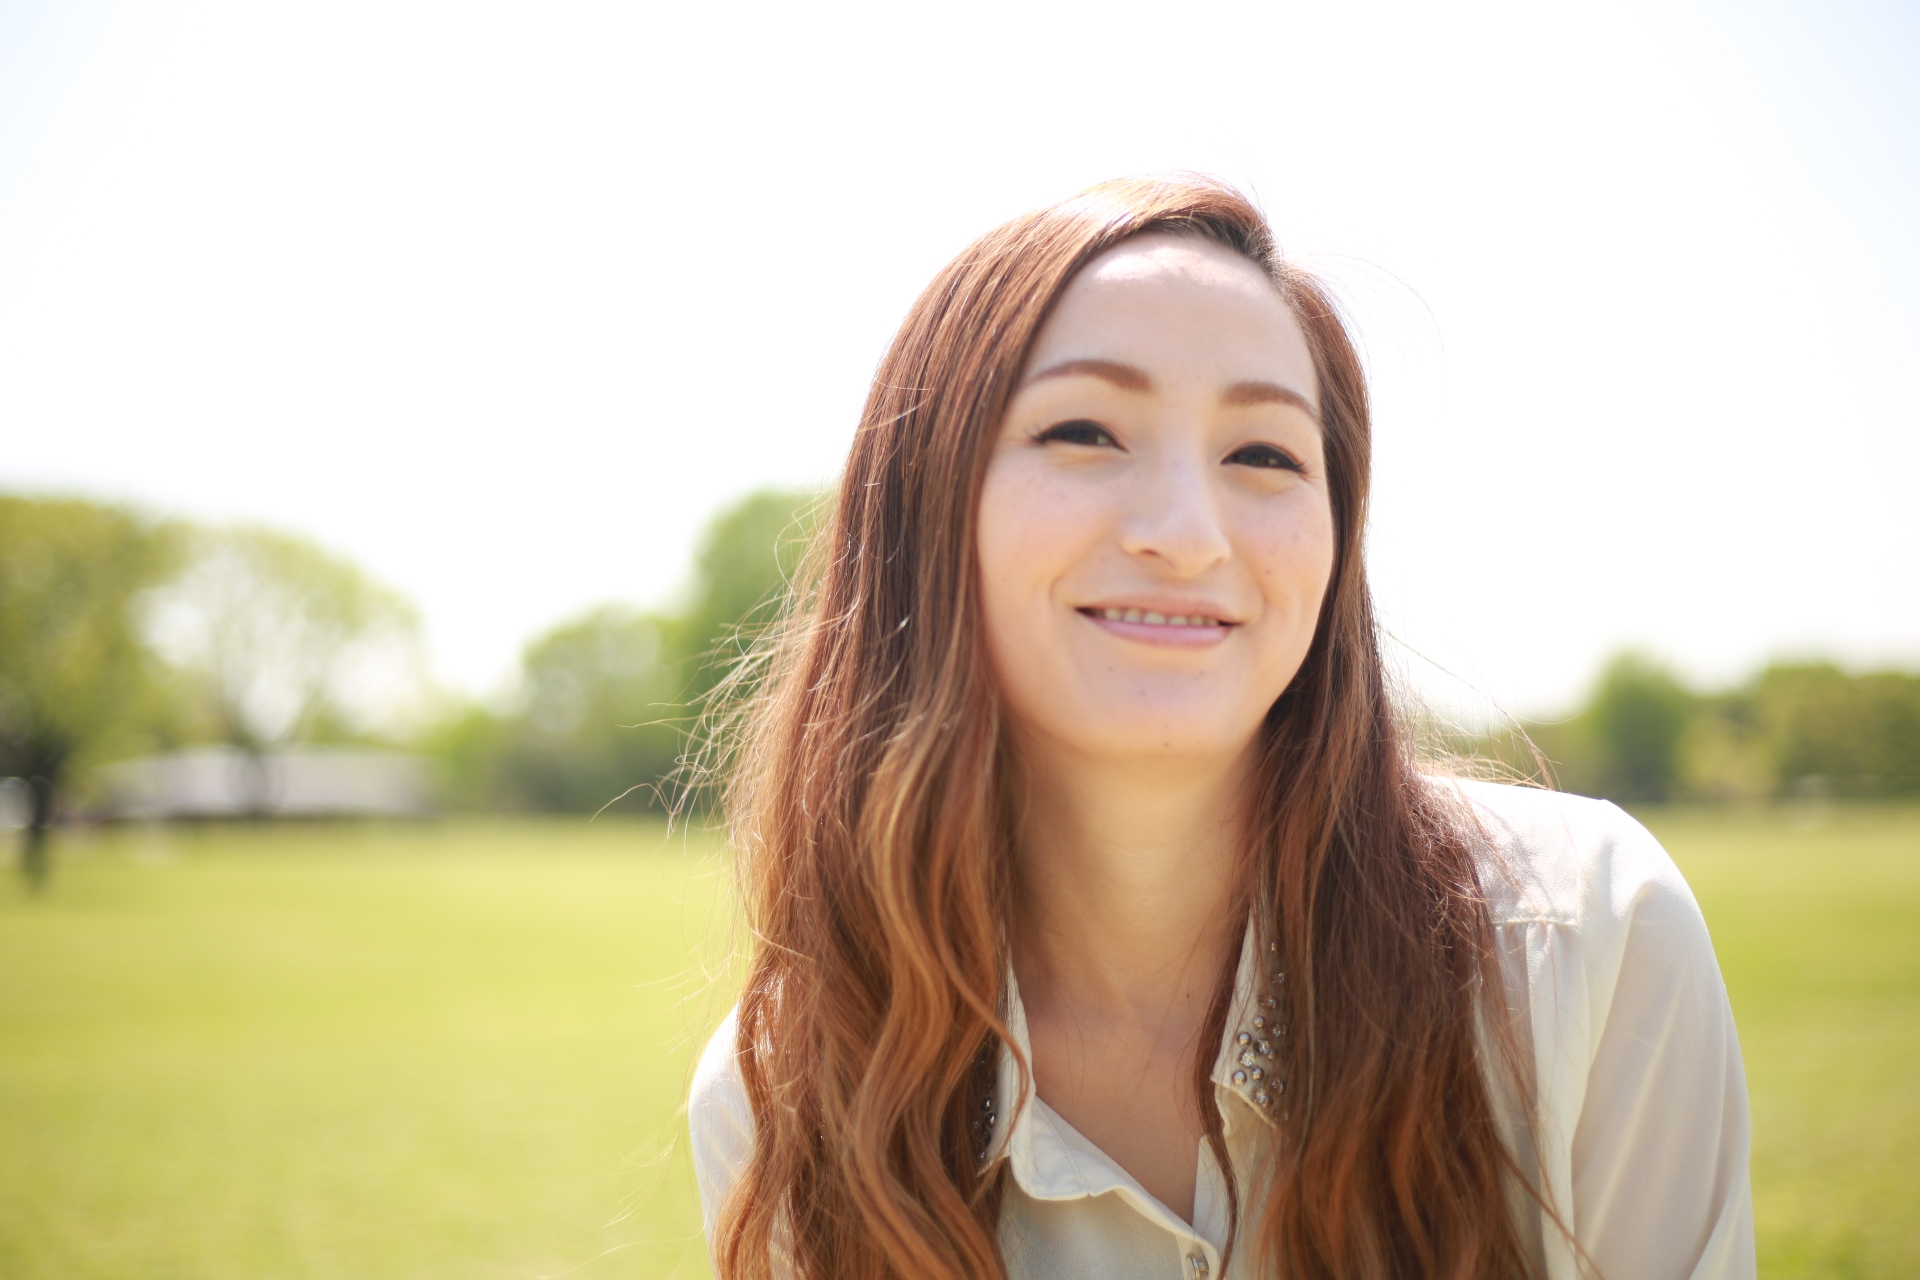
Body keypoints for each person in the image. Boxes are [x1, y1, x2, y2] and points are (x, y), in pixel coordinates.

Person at [687, 177, 1753, 1280]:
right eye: (1087, 430)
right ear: (923, 509)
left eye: (1264, 454)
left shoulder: (1587, 938)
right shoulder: (790, 1093)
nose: (1189, 535)